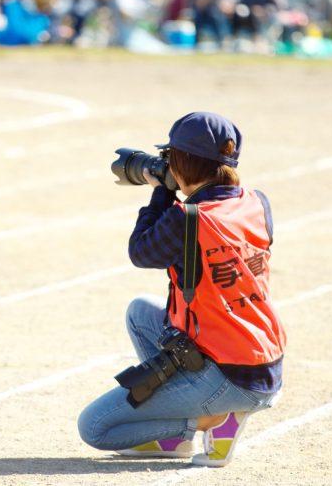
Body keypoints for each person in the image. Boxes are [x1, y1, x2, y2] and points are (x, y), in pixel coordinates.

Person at [78, 112, 286, 467]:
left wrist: (160, 190)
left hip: (232, 377)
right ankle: (178, 433)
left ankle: (212, 420)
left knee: (95, 427)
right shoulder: (256, 201)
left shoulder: (189, 218)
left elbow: (140, 252)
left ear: (183, 164)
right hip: (262, 361)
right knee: (141, 312)